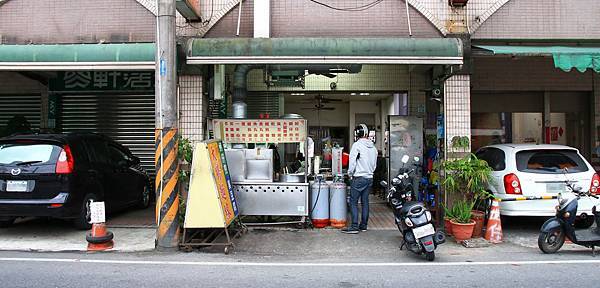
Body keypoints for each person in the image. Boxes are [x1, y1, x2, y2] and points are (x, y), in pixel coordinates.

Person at [342, 124, 378, 234]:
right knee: (365, 202)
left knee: (353, 202)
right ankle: (363, 226)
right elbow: (374, 165)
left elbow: (352, 162)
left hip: (359, 178)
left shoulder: (357, 145)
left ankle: (354, 226)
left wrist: (349, 173)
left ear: (357, 134)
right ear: (366, 134)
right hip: (369, 177)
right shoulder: (373, 147)